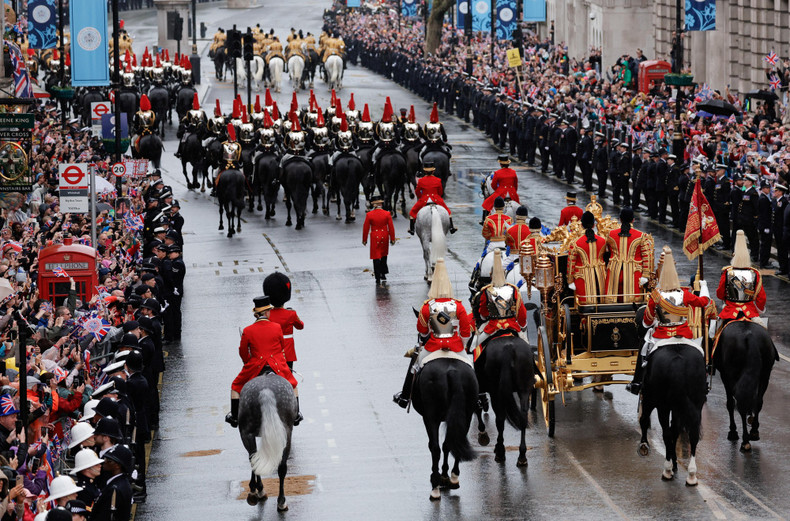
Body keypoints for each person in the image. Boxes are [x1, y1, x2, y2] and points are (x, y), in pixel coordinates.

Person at [627, 246, 712, 395]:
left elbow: (647, 322)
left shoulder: (656, 296)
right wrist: (704, 286)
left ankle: (637, 382)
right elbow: (704, 301)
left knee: (645, 349)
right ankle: (703, 380)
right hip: (684, 334)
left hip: (662, 335)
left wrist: (655, 321)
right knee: (699, 352)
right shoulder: (685, 294)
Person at [393, 258, 472, 408]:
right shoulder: (458, 306)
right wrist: (462, 344)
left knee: (415, 366)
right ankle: (477, 399)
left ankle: (405, 396)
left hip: (433, 346)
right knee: (470, 369)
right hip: (455, 346)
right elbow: (466, 331)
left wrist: (427, 337)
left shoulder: (426, 307)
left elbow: (422, 331)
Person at [226, 296, 301, 428]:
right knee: (293, 384)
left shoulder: (248, 330)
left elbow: (243, 352)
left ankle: (235, 416)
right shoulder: (277, 327)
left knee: (235, 386)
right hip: (276, 365)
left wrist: (247, 362)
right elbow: (281, 346)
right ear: (267, 312)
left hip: (255, 366)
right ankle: (296, 414)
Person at [716, 230, 766, 326]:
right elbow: (761, 298)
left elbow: (720, 294)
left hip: (730, 311)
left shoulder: (727, 272)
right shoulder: (755, 273)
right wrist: (758, 310)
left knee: (714, 332)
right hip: (750, 312)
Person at [604, 207, 653, 302]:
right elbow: (646, 256)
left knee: (613, 299)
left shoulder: (611, 234)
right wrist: (645, 275)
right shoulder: (641, 236)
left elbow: (607, 251)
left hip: (614, 272)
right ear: (633, 220)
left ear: (620, 219)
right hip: (634, 273)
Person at [263, 271, 304, 370]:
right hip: (288, 353)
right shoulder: (291, 314)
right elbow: (300, 326)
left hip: (270, 352)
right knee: (289, 379)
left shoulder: (266, 314)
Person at [567, 211, 607, 304]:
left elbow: (571, 263)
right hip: (600, 276)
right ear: (594, 225)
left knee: (584, 304)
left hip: (582, 278)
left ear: (581, 224)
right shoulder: (603, 241)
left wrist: (570, 280)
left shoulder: (575, 243)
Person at [407, 162, 456, 235]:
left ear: (425, 171)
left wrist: (421, 196)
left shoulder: (421, 180)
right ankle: (451, 227)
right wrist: (437, 196)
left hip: (424, 199)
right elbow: (440, 192)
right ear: (433, 171)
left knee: (412, 213)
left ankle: (412, 229)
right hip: (436, 198)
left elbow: (417, 192)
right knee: (448, 212)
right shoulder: (438, 180)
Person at [90, 445, 133, 521]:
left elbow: (104, 516)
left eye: (109, 460)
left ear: (117, 466)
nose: (104, 462)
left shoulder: (114, 489)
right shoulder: (120, 482)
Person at [362, 192, 396, 285]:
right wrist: (392, 238)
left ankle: (377, 277)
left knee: (376, 257)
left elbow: (365, 228)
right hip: (385, 235)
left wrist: (364, 239)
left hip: (374, 236)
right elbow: (391, 227)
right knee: (384, 255)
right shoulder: (387, 214)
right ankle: (383, 273)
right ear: (381, 204)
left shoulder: (369, 214)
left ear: (373, 205)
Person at [481, 155, 520, 219]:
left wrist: (498, 190)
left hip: (501, 193)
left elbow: (493, 185)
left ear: (501, 164)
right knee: (520, 207)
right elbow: (515, 185)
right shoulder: (513, 172)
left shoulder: (497, 173)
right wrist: (513, 192)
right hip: (512, 193)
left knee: (486, 204)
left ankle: (485, 220)